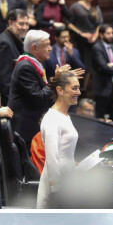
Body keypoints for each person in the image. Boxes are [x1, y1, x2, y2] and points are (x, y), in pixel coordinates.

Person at [36, 71, 80, 208]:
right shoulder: (52, 118)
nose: (78, 92)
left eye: (78, 87)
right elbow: (52, 158)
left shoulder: (65, 115)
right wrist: (56, 191)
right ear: (60, 90)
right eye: (74, 88)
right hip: (56, 188)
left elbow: (65, 153)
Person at [8, 30, 56, 145]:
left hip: (31, 124)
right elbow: (38, 96)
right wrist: (55, 80)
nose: (50, 48)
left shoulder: (33, 63)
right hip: (26, 128)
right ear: (34, 48)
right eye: (46, 45)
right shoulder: (25, 66)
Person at [0, 9, 29, 106]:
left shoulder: (13, 39)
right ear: (11, 23)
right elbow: (5, 81)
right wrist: (14, 105)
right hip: (7, 103)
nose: (24, 27)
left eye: (26, 24)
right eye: (21, 24)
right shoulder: (4, 43)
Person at [68, 0, 102, 76]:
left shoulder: (96, 7)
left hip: (93, 41)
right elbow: (69, 23)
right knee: (81, 66)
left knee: (92, 67)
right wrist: (81, 33)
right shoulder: (75, 7)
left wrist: (95, 35)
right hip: (80, 41)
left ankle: (86, 89)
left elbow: (99, 24)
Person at [91, 24, 113, 120]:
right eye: (108, 33)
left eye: (112, 33)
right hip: (102, 88)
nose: (111, 35)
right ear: (101, 35)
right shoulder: (97, 47)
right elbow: (104, 67)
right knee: (100, 116)